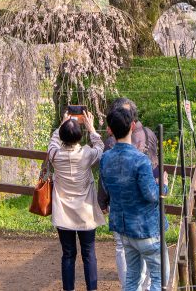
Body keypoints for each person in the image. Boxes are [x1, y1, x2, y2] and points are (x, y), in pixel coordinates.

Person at [98, 98, 159, 289]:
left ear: (110, 129)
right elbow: (151, 193)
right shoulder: (142, 156)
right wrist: (163, 187)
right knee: (158, 276)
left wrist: (103, 201)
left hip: (122, 220)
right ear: (132, 124)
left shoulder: (107, 154)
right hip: (144, 222)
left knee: (131, 276)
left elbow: (105, 183)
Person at [49, 111, 105, 291]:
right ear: (80, 136)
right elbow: (100, 146)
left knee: (68, 254)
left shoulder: (55, 155)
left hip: (63, 212)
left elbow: (53, 142)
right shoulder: (86, 154)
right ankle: (92, 288)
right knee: (89, 253)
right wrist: (91, 127)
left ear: (62, 136)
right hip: (85, 213)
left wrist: (62, 124)